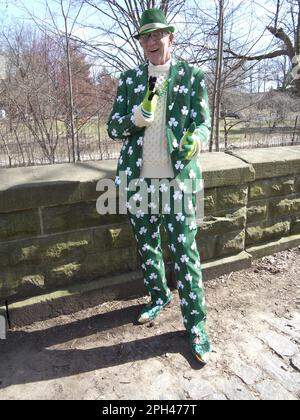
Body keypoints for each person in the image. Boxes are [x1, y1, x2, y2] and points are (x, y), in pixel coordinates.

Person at [107, 8, 211, 364]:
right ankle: (158, 297)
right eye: (144, 37)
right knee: (147, 245)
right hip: (139, 181)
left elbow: (203, 123)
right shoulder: (130, 79)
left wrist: (196, 140)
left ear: (171, 36)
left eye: (157, 35)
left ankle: (196, 324)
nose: (151, 42)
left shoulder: (193, 76)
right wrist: (137, 117)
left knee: (185, 254)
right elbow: (113, 127)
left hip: (178, 182)